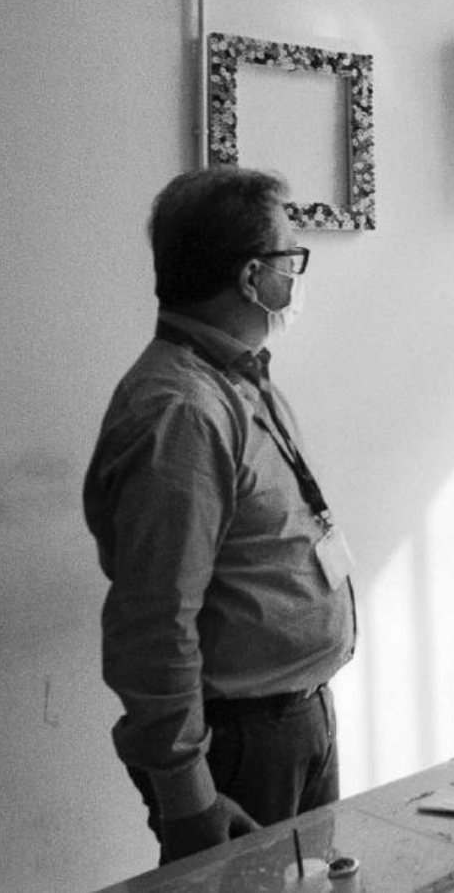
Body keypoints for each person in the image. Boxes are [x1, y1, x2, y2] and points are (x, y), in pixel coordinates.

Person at [84, 167, 357, 864]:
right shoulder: (181, 411)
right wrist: (189, 796)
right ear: (251, 277)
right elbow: (152, 623)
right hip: (240, 745)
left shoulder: (235, 378)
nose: (296, 279)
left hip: (293, 718)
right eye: (290, 259)